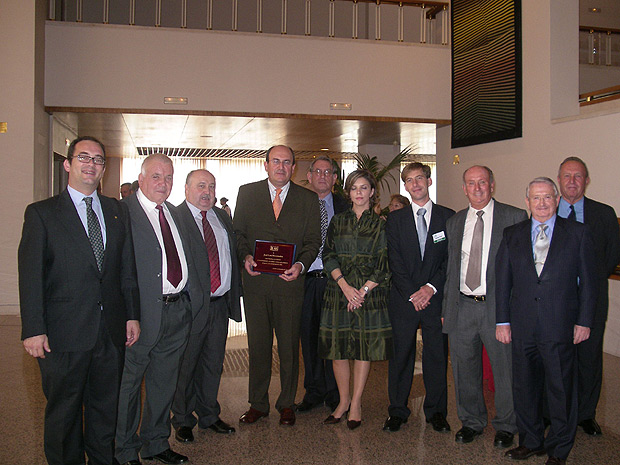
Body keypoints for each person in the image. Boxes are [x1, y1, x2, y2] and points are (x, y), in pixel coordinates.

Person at [18, 136, 140, 465]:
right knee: (64, 416)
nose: (91, 164)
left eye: (98, 160)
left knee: (104, 411)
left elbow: (125, 268)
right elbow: (30, 275)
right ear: (68, 164)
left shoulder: (117, 211)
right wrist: (33, 328)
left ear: (104, 168)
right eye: (83, 157)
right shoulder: (42, 214)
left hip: (110, 333)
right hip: (62, 334)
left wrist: (132, 315)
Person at [496, 177, 596, 465]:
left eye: (547, 198)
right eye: (535, 198)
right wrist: (502, 321)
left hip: (561, 325)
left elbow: (589, 283)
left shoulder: (577, 233)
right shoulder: (512, 234)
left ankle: (559, 448)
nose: (541, 204)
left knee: (561, 390)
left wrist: (584, 321)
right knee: (524, 388)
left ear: (557, 200)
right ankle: (530, 441)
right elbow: (503, 281)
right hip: (523, 325)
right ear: (527, 202)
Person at [115, 154, 203, 465]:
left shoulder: (175, 214)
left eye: (168, 178)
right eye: (156, 176)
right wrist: (127, 314)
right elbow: (116, 271)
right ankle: (124, 451)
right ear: (140, 179)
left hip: (176, 312)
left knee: (163, 383)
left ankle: (155, 443)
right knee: (127, 386)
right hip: (139, 317)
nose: (162, 183)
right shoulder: (121, 213)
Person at [234, 145, 321, 427]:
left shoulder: (308, 199)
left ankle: (286, 403)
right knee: (257, 346)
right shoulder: (247, 193)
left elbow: (312, 242)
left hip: (290, 287)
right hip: (257, 285)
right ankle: (257, 404)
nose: (281, 167)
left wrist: (301, 265)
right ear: (266, 164)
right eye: (276, 161)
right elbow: (238, 234)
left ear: (294, 167)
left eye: (287, 162)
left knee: (288, 348)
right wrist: (246, 256)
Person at [442, 165, 527, 447]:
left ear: (492, 184)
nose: (477, 188)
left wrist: (513, 315)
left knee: (505, 369)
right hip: (462, 306)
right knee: (464, 369)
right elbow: (451, 269)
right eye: (470, 183)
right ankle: (472, 422)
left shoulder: (514, 217)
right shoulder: (455, 222)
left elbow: (522, 271)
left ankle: (506, 424)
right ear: (464, 188)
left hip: (497, 308)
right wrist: (446, 309)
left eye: (482, 182)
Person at [171, 170, 242, 442]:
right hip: (189, 306)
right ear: (186, 188)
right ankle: (183, 418)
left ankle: (209, 414)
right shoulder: (175, 218)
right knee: (187, 364)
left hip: (219, 304)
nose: (207, 192)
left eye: (211, 186)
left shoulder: (221, 217)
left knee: (213, 363)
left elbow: (228, 256)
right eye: (200, 186)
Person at [318, 169, 392, 430]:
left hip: (368, 295)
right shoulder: (338, 222)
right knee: (338, 351)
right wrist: (345, 286)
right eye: (353, 188)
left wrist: (362, 291)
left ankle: (357, 403)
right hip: (339, 292)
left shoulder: (383, 224)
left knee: (362, 350)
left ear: (372, 192)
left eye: (363, 188)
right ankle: (343, 401)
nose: (358, 193)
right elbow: (329, 255)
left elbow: (385, 263)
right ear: (347, 193)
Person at [383, 162, 454, 433]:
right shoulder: (396, 220)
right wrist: (414, 293)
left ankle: (436, 412)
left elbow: (450, 259)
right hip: (404, 299)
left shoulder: (448, 217)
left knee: (436, 356)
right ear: (405, 185)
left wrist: (430, 288)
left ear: (429, 181)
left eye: (420, 178)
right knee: (401, 356)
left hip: (435, 299)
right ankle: (398, 411)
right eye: (410, 180)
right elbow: (394, 260)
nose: (415, 184)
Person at [556, 157, 620, 436]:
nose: (572, 181)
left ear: (587, 180)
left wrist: (587, 284)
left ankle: (586, 414)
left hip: (591, 299)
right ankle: (554, 411)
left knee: (590, 357)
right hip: (554, 301)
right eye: (567, 176)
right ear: (559, 180)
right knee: (555, 356)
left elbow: (612, 255)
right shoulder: (544, 210)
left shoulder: (604, 214)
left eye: (578, 176)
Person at [296, 156, 350, 413]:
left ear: (335, 178)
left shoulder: (345, 206)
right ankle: (313, 390)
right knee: (308, 337)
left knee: (333, 337)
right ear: (309, 175)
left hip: (335, 282)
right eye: (317, 171)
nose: (322, 176)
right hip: (306, 280)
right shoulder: (297, 204)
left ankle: (334, 391)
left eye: (328, 172)